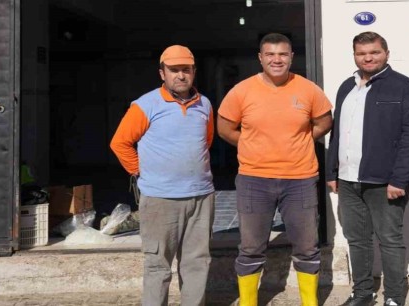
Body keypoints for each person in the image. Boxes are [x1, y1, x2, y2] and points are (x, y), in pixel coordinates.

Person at [217, 33, 333, 306]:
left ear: (292, 57)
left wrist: (298, 141)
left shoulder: (309, 90)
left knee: (307, 246)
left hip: (300, 179)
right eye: (270, 54)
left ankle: (310, 302)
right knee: (251, 248)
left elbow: (324, 122)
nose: (276, 59)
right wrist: (254, 144)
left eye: (282, 54)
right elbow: (225, 128)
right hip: (254, 179)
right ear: (261, 58)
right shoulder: (242, 91)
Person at [325, 32, 409, 306]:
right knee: (357, 240)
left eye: (374, 52)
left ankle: (394, 297)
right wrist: (332, 172)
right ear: (354, 56)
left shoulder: (404, 87)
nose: (368, 58)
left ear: (386, 54)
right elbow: (337, 132)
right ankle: (363, 294)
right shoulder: (346, 87)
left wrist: (400, 179)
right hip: (348, 180)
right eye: (361, 53)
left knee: (390, 240)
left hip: (385, 182)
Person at [110, 45, 215, 306]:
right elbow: (120, 143)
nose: (181, 75)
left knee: (197, 262)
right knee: (158, 264)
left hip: (201, 196)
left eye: (186, 69)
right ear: (162, 73)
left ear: (194, 71)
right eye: (174, 70)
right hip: (160, 199)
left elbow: (206, 141)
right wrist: (140, 171)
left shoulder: (204, 104)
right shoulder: (145, 105)